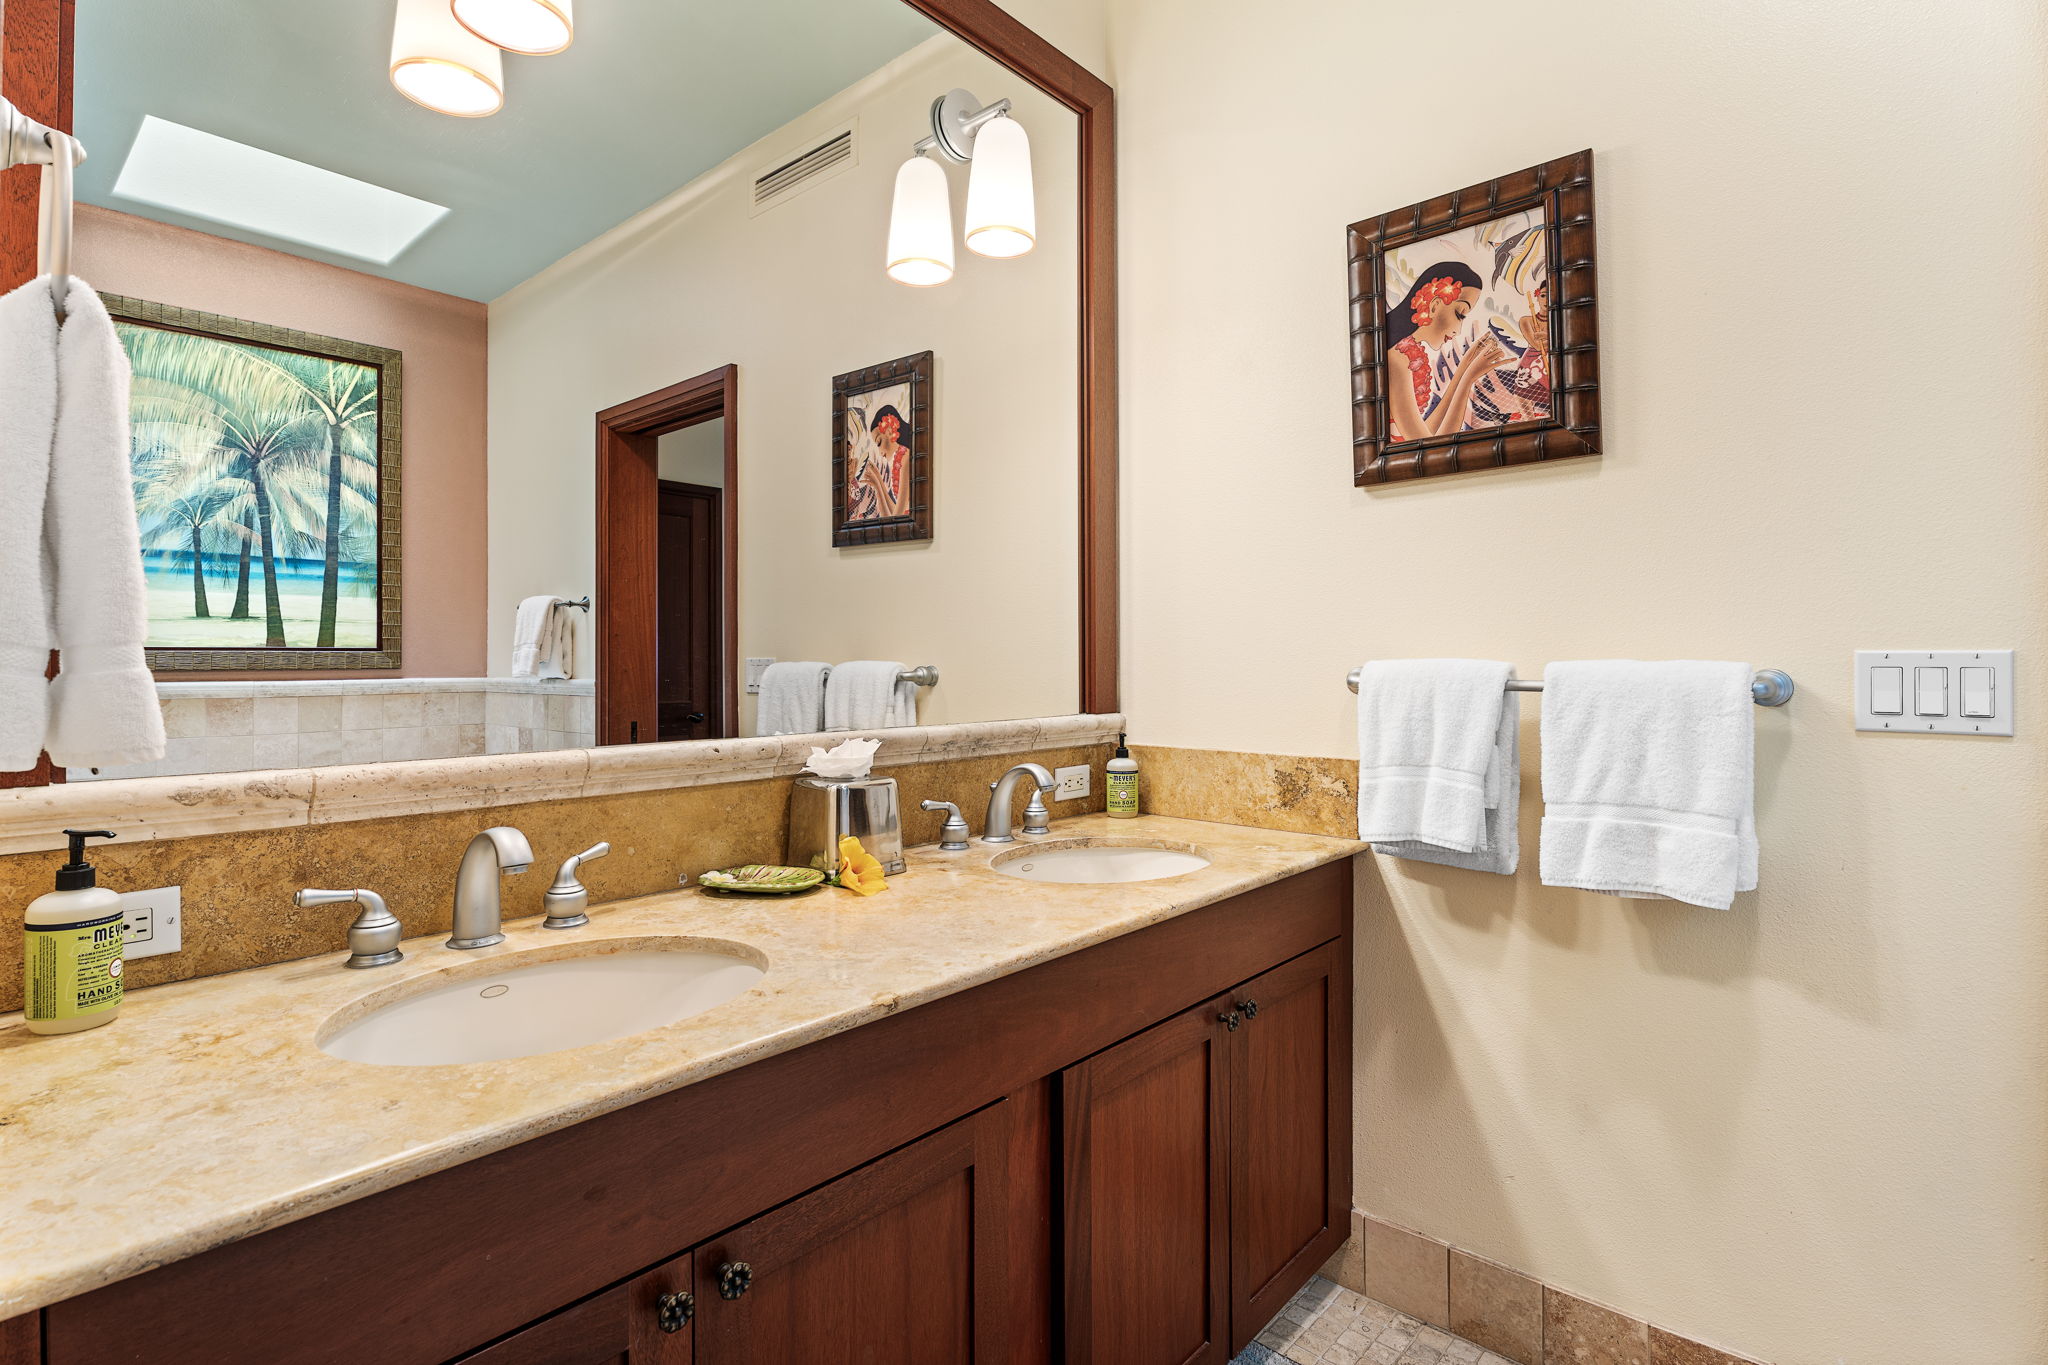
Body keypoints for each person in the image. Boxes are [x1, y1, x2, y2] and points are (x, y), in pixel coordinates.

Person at [1384, 262, 1506, 441]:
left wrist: (1464, 370)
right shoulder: (1397, 359)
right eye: (1460, 314)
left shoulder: (1409, 353)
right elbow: (1429, 447)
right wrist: (1467, 378)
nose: (1458, 330)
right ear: (1434, 306)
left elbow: (1429, 433)